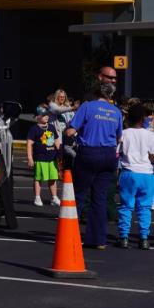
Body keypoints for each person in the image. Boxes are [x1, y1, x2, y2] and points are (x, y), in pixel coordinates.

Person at [66, 82, 122, 249]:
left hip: (89, 152)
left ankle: (69, 234)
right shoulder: (116, 112)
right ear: (110, 95)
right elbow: (119, 137)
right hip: (109, 154)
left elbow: (70, 131)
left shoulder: (87, 106)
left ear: (97, 92)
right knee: (100, 197)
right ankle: (98, 239)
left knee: (79, 195)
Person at [116, 104, 154, 250]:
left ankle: (124, 237)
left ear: (128, 117)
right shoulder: (150, 135)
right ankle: (144, 238)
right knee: (144, 207)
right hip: (147, 174)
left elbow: (118, 153)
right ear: (143, 118)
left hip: (129, 171)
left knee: (126, 205)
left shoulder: (124, 133)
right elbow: (152, 157)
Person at [27, 107, 62, 207]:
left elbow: (56, 141)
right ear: (37, 117)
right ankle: (37, 197)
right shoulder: (34, 129)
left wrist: (59, 154)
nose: (46, 117)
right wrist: (30, 158)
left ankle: (54, 197)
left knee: (53, 178)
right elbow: (29, 143)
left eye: (47, 115)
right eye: (43, 115)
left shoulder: (51, 127)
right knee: (38, 178)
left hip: (52, 158)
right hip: (40, 158)